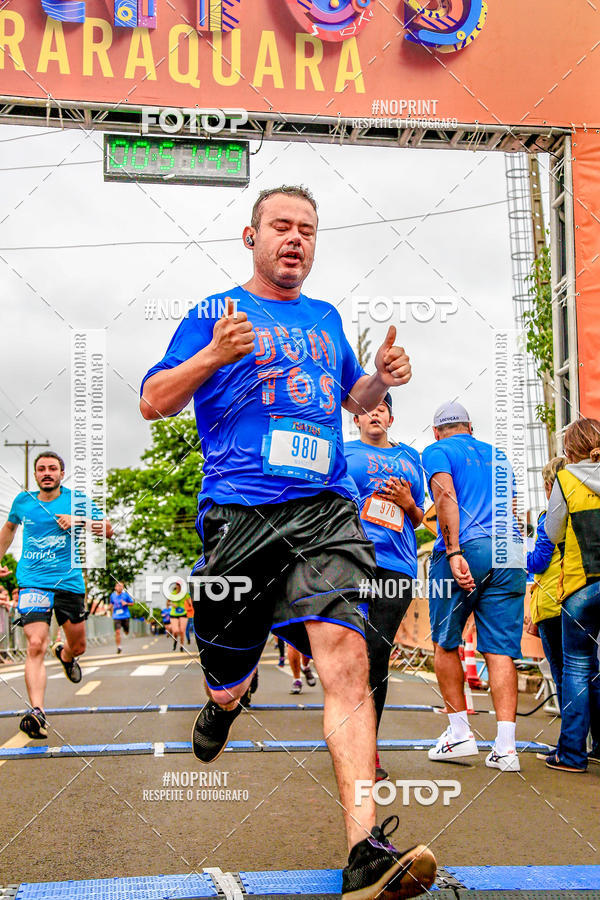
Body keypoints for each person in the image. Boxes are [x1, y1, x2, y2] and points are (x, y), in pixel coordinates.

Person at [140, 185, 436, 898]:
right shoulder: (216, 313)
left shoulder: (326, 318)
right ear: (252, 237)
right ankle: (225, 699)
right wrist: (213, 355)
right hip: (240, 515)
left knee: (346, 663)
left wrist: (376, 381)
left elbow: (352, 403)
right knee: (229, 663)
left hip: (325, 509)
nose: (295, 238)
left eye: (307, 229)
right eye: (281, 226)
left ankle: (365, 851)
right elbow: (154, 400)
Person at [422, 402, 526, 772]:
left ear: (437, 431)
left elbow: (445, 498)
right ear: (470, 426)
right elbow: (511, 508)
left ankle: (460, 734)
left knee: (445, 643)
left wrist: (453, 552)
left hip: (468, 548)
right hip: (509, 551)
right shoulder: (499, 456)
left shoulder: (436, 451)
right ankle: (506, 748)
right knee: (500, 651)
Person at [0, 451, 113, 739]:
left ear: (62, 474)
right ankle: (37, 711)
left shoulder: (77, 500)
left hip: (69, 583)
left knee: (79, 647)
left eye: (53, 468)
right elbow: (9, 529)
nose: (46, 473)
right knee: (35, 643)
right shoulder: (23, 501)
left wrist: (79, 520)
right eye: (41, 469)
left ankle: (65, 655)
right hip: (32, 582)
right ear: (35, 475)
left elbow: (109, 530)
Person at [345, 393, 424, 782]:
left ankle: (368, 748)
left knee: (376, 651)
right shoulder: (342, 454)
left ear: (390, 418)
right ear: (356, 421)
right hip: (352, 563)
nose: (374, 413)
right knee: (352, 653)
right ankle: (350, 738)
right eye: (365, 410)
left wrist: (408, 500)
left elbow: (421, 517)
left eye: (381, 409)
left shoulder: (411, 457)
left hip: (397, 568)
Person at [543, 418, 600, 773]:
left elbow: (551, 531)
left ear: (569, 450)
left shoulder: (565, 479)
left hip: (581, 586)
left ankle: (573, 755)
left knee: (578, 669)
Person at [527, 458, 566, 714]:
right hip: (577, 599)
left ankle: (570, 746)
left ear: (550, 485)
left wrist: (518, 557)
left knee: (563, 677)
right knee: (588, 675)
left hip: (553, 604)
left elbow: (539, 562)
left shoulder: (548, 518)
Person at [109, 581, 134, 654]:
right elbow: (111, 603)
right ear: (115, 587)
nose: (119, 587)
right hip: (116, 616)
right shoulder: (112, 595)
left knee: (126, 631)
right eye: (118, 586)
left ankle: (126, 630)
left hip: (125, 615)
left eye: (121, 586)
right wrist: (108, 608)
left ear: (123, 588)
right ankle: (119, 646)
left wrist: (126, 603)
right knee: (117, 632)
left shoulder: (126, 595)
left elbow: (132, 603)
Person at [168, 581, 189, 652]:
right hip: (174, 614)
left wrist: (190, 604)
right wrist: (172, 604)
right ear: (176, 585)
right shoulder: (172, 594)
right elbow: (167, 603)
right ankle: (175, 641)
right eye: (177, 584)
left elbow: (190, 603)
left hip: (183, 613)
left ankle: (181, 646)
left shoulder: (185, 594)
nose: (178, 586)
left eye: (180, 585)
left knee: (182, 631)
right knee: (176, 631)